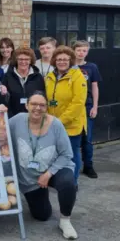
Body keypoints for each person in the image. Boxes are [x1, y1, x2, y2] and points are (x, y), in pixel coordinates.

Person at [9, 91, 78, 240]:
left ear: (46, 107)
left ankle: (65, 221)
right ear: (27, 105)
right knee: (42, 216)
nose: (37, 108)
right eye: (34, 104)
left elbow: (67, 154)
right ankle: (41, 195)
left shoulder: (56, 125)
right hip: (30, 179)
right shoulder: (16, 121)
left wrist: (48, 174)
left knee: (68, 182)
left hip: (54, 169)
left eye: (42, 105)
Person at [45, 46, 87, 188]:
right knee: (56, 155)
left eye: (65, 59)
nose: (62, 62)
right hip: (52, 124)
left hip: (71, 125)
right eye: (59, 59)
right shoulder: (50, 76)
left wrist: (60, 121)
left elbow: (78, 103)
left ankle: (72, 183)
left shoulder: (77, 76)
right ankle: (59, 181)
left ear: (71, 60)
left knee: (71, 155)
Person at [73, 40, 102, 179]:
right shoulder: (69, 67)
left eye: (84, 50)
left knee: (87, 138)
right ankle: (73, 166)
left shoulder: (92, 67)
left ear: (87, 52)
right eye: (78, 50)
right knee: (74, 138)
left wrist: (95, 106)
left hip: (87, 106)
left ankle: (88, 166)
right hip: (73, 107)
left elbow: (95, 87)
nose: (81, 53)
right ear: (74, 50)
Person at [1, 47, 45, 117]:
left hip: (34, 117)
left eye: (26, 59)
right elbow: (3, 99)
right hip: (13, 117)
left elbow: (42, 97)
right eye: (20, 59)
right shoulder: (7, 77)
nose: (23, 62)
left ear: (31, 60)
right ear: (16, 60)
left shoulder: (38, 77)